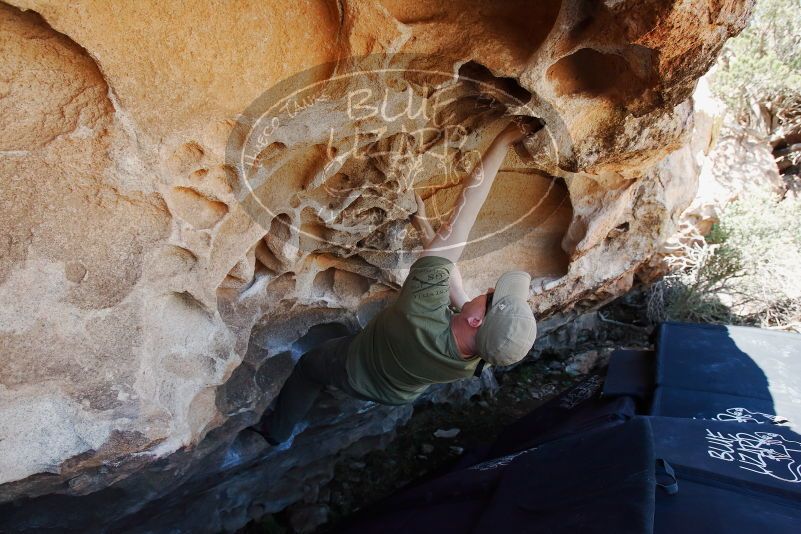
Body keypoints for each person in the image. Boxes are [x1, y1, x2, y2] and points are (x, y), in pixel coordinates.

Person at [250, 119, 540, 445]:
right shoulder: (484, 355)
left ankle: (277, 432)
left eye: (491, 298)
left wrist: (503, 140)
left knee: (309, 368)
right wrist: (423, 226)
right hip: (397, 391)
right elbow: (453, 286)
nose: (488, 290)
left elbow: (464, 214)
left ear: (476, 320)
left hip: (354, 366)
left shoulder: (422, 310)